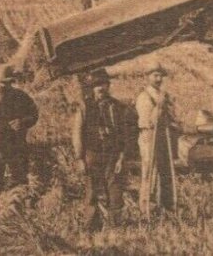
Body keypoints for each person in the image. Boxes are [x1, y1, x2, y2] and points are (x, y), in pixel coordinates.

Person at [72, 68, 133, 231]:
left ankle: (116, 226)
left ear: (108, 85)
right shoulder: (84, 107)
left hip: (112, 156)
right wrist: (79, 158)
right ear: (92, 88)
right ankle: (91, 227)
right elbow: (77, 133)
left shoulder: (117, 107)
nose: (101, 88)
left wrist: (121, 157)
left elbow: (123, 134)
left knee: (115, 190)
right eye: (97, 85)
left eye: (103, 84)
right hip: (92, 154)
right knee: (92, 191)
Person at [0, 64, 39, 192]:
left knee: (20, 180)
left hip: (16, 143)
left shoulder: (21, 96)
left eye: (7, 83)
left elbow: (34, 115)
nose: (3, 87)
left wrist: (22, 122)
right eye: (1, 84)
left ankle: (19, 202)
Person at [135, 64, 178, 216]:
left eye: (161, 76)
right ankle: (147, 208)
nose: (159, 79)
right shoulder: (144, 97)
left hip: (163, 136)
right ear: (148, 77)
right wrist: (159, 107)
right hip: (149, 136)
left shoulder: (164, 96)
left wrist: (170, 109)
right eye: (155, 75)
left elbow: (173, 118)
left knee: (165, 170)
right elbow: (149, 121)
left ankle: (168, 206)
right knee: (150, 172)